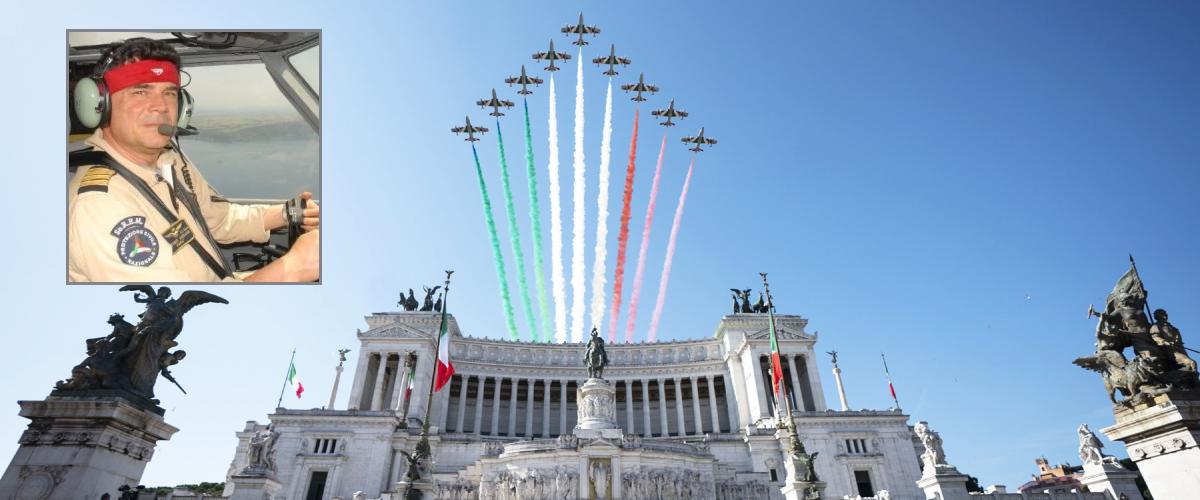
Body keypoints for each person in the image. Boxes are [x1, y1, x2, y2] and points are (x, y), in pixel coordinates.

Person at [68, 37, 319, 282]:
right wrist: (293, 268)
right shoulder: (99, 204)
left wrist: (286, 212)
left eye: (169, 93)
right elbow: (171, 311)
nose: (161, 106)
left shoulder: (170, 160)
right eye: (140, 91)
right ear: (100, 104)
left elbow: (218, 219)